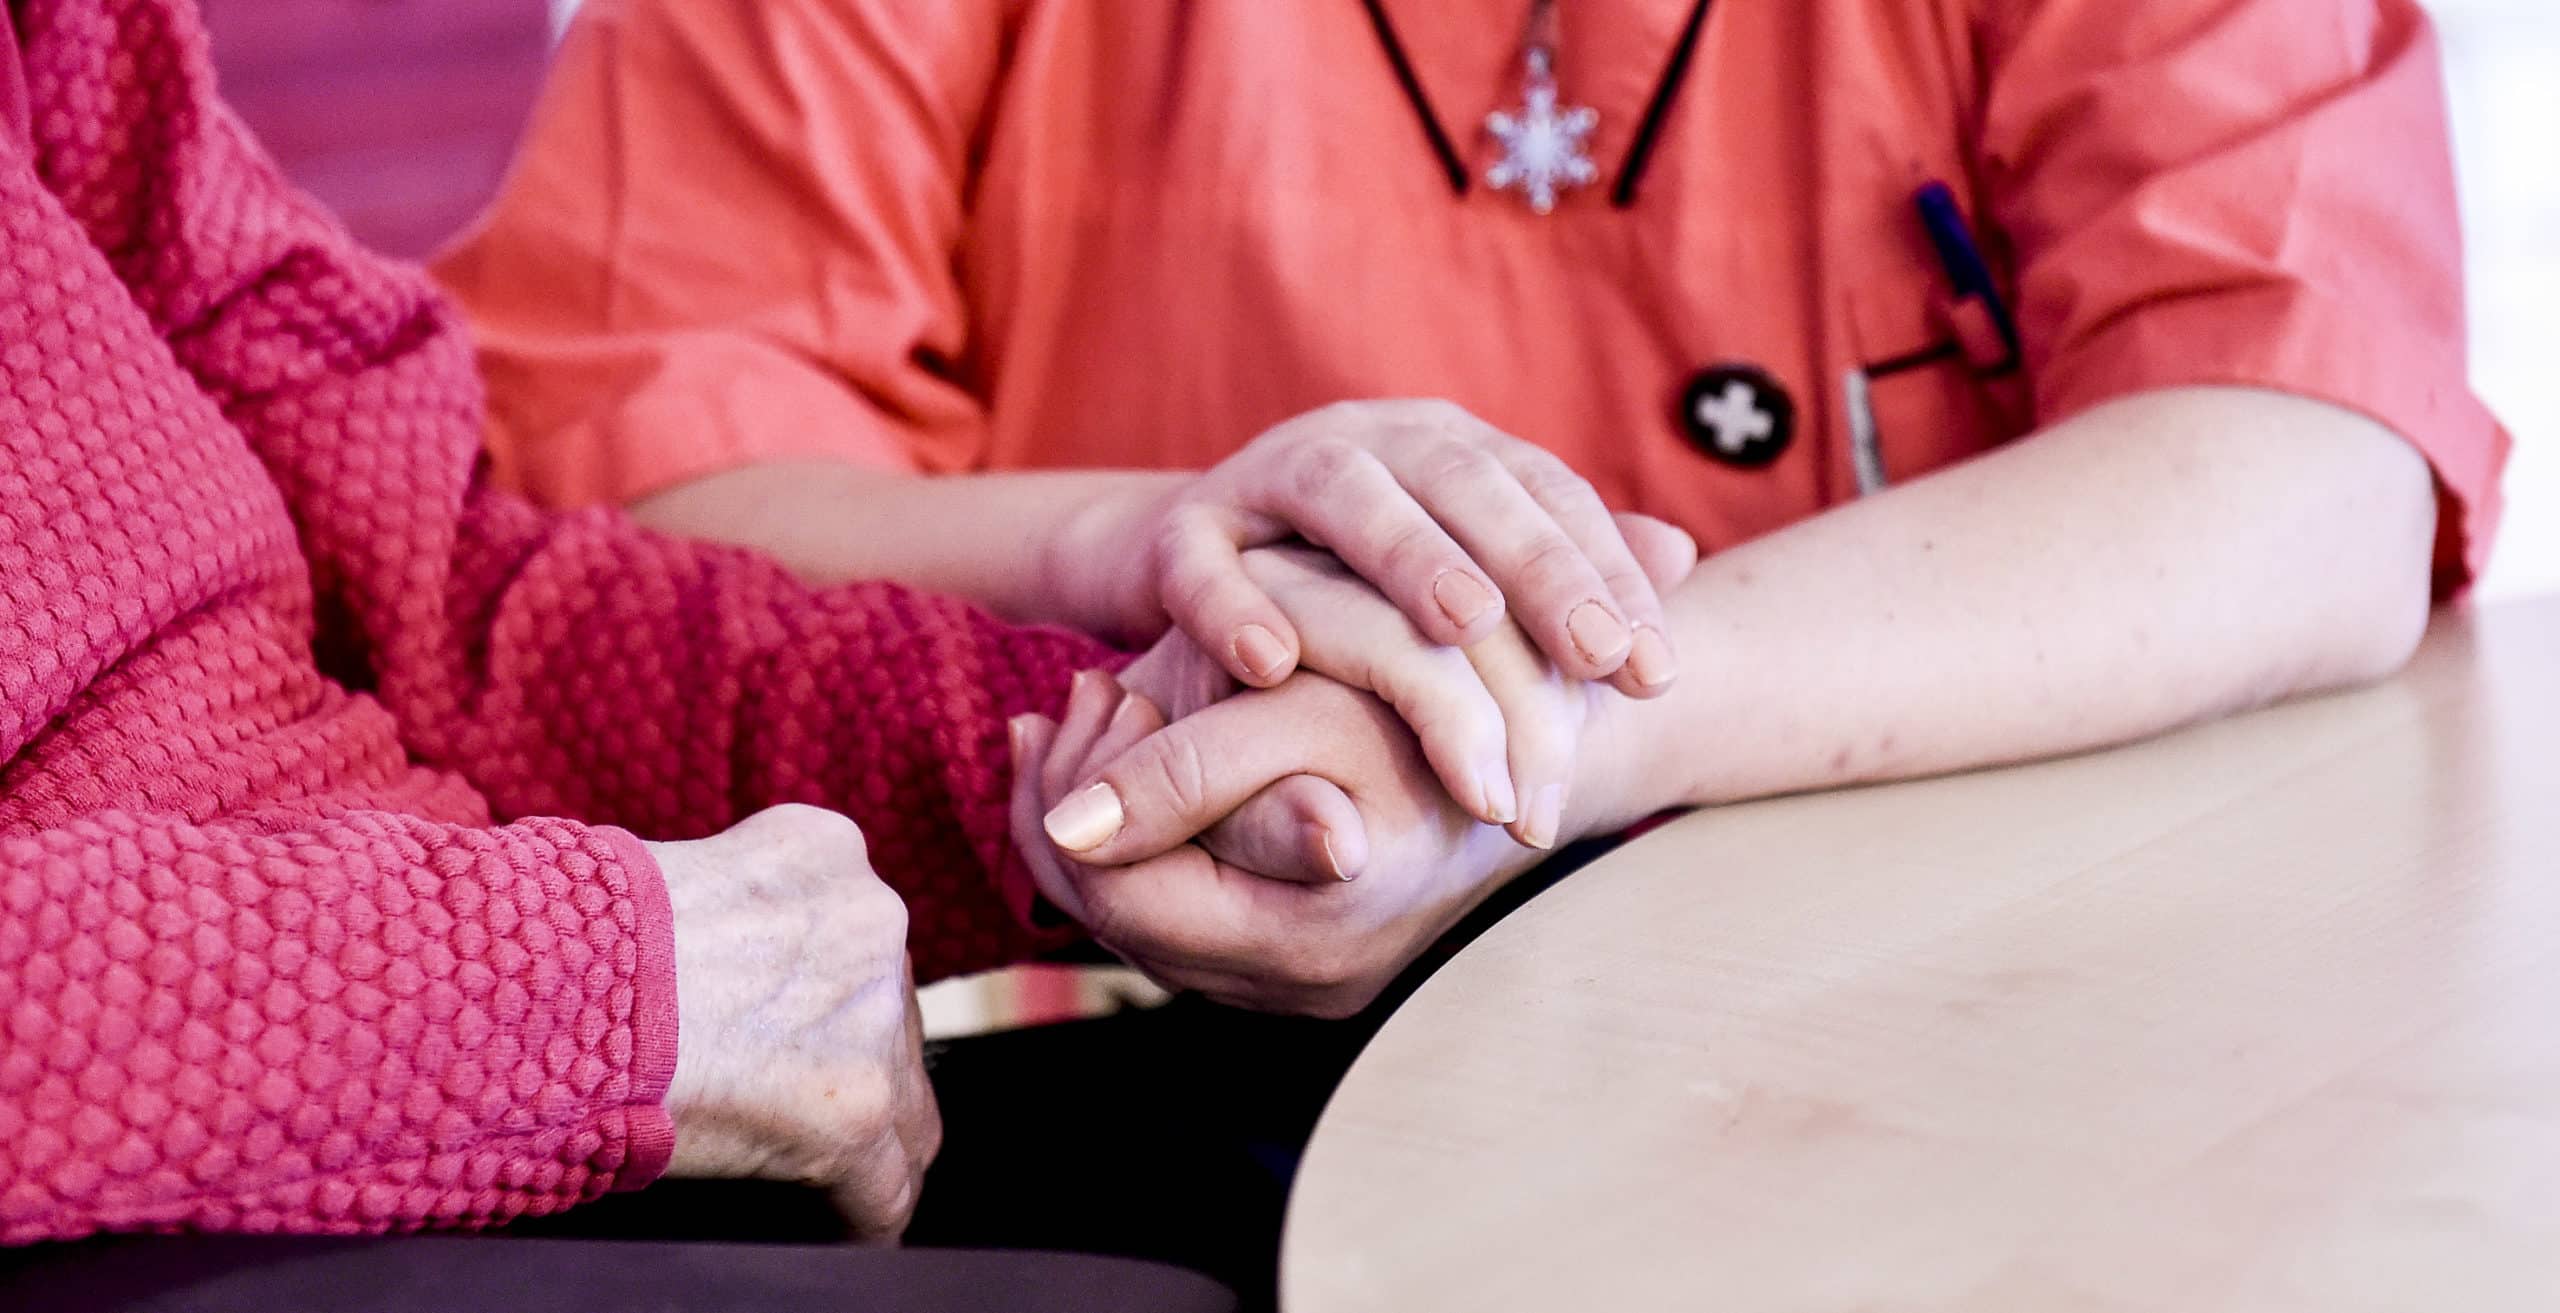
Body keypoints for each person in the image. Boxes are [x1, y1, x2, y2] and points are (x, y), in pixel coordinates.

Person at [0, 0, 1658, 1292]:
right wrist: (598, 990)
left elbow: (433, 590)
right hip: (247, 1150)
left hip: (451, 1062)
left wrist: (1098, 741)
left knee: (1482, 1167)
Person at [439, 0, 2511, 1019]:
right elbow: (632, 488)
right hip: (1139, 1025)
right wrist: (1179, 544)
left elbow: (2304, 459)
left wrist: (1530, 735)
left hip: (1965, 1020)